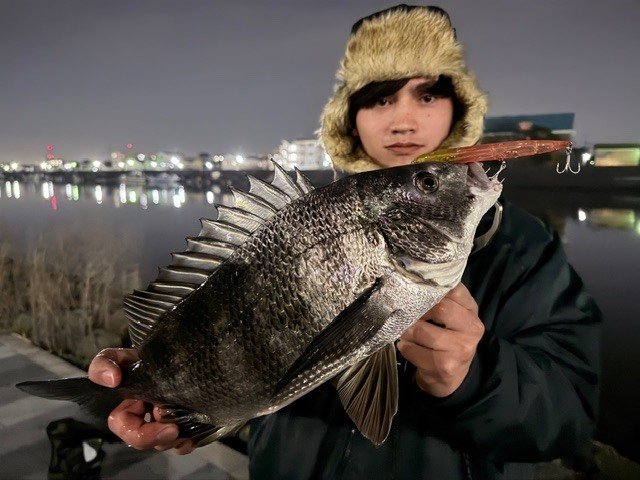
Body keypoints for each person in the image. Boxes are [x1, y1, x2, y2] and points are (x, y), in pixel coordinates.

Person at [88, 5, 601, 478]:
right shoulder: (297, 217)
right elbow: (209, 312)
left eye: (427, 95)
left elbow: (571, 414)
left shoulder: (524, 247)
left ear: (456, 108)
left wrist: (476, 377)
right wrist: (152, 380)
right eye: (380, 98)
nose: (403, 120)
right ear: (350, 118)